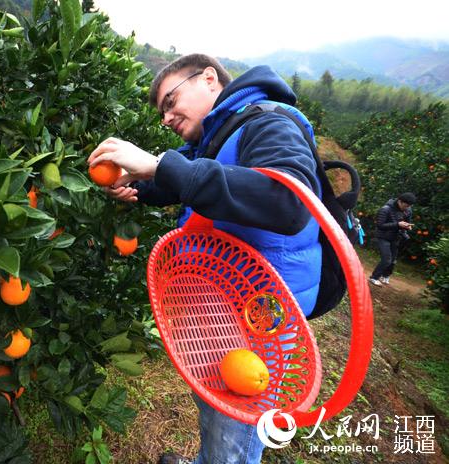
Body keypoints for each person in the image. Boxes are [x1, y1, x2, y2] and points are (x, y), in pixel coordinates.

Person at [88, 54, 323, 464]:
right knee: (214, 403)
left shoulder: (269, 121)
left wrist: (157, 164)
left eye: (170, 101)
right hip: (224, 304)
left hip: (261, 315)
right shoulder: (215, 136)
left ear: (209, 79)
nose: (166, 117)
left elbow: (288, 202)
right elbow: (194, 181)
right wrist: (139, 185)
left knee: (233, 430)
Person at [369, 192, 416, 287]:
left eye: (409, 206)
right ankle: (374, 277)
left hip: (395, 237)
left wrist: (407, 227)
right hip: (383, 236)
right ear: (400, 201)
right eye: (405, 206)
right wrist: (398, 224)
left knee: (393, 260)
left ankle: (385, 276)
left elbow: (407, 222)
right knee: (387, 259)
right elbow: (380, 225)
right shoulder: (385, 209)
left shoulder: (408, 210)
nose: (407, 208)